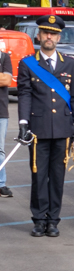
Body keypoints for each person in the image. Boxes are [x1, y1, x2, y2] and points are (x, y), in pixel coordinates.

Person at [16, 15, 74, 237]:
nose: (49, 37)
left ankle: (53, 220)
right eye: (45, 33)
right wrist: (23, 123)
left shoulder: (69, 63)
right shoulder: (27, 63)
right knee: (38, 175)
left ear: (59, 37)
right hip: (38, 129)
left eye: (53, 34)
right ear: (39, 35)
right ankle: (38, 219)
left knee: (57, 176)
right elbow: (24, 95)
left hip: (63, 129)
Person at [0, 46, 11, 198]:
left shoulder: (4, 57)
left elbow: (6, 80)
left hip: (0, 111)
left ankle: (1, 184)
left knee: (0, 150)